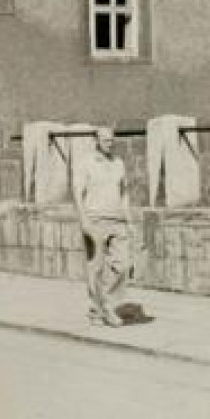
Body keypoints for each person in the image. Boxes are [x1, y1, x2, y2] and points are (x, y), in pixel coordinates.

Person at [72, 127, 132, 327]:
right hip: (95, 220)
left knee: (123, 265)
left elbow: (124, 193)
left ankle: (106, 305)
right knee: (95, 268)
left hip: (117, 220)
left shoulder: (118, 164)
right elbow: (77, 194)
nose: (110, 143)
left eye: (112, 140)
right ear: (96, 141)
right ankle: (97, 309)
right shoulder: (85, 164)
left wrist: (128, 218)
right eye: (105, 140)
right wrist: (84, 222)